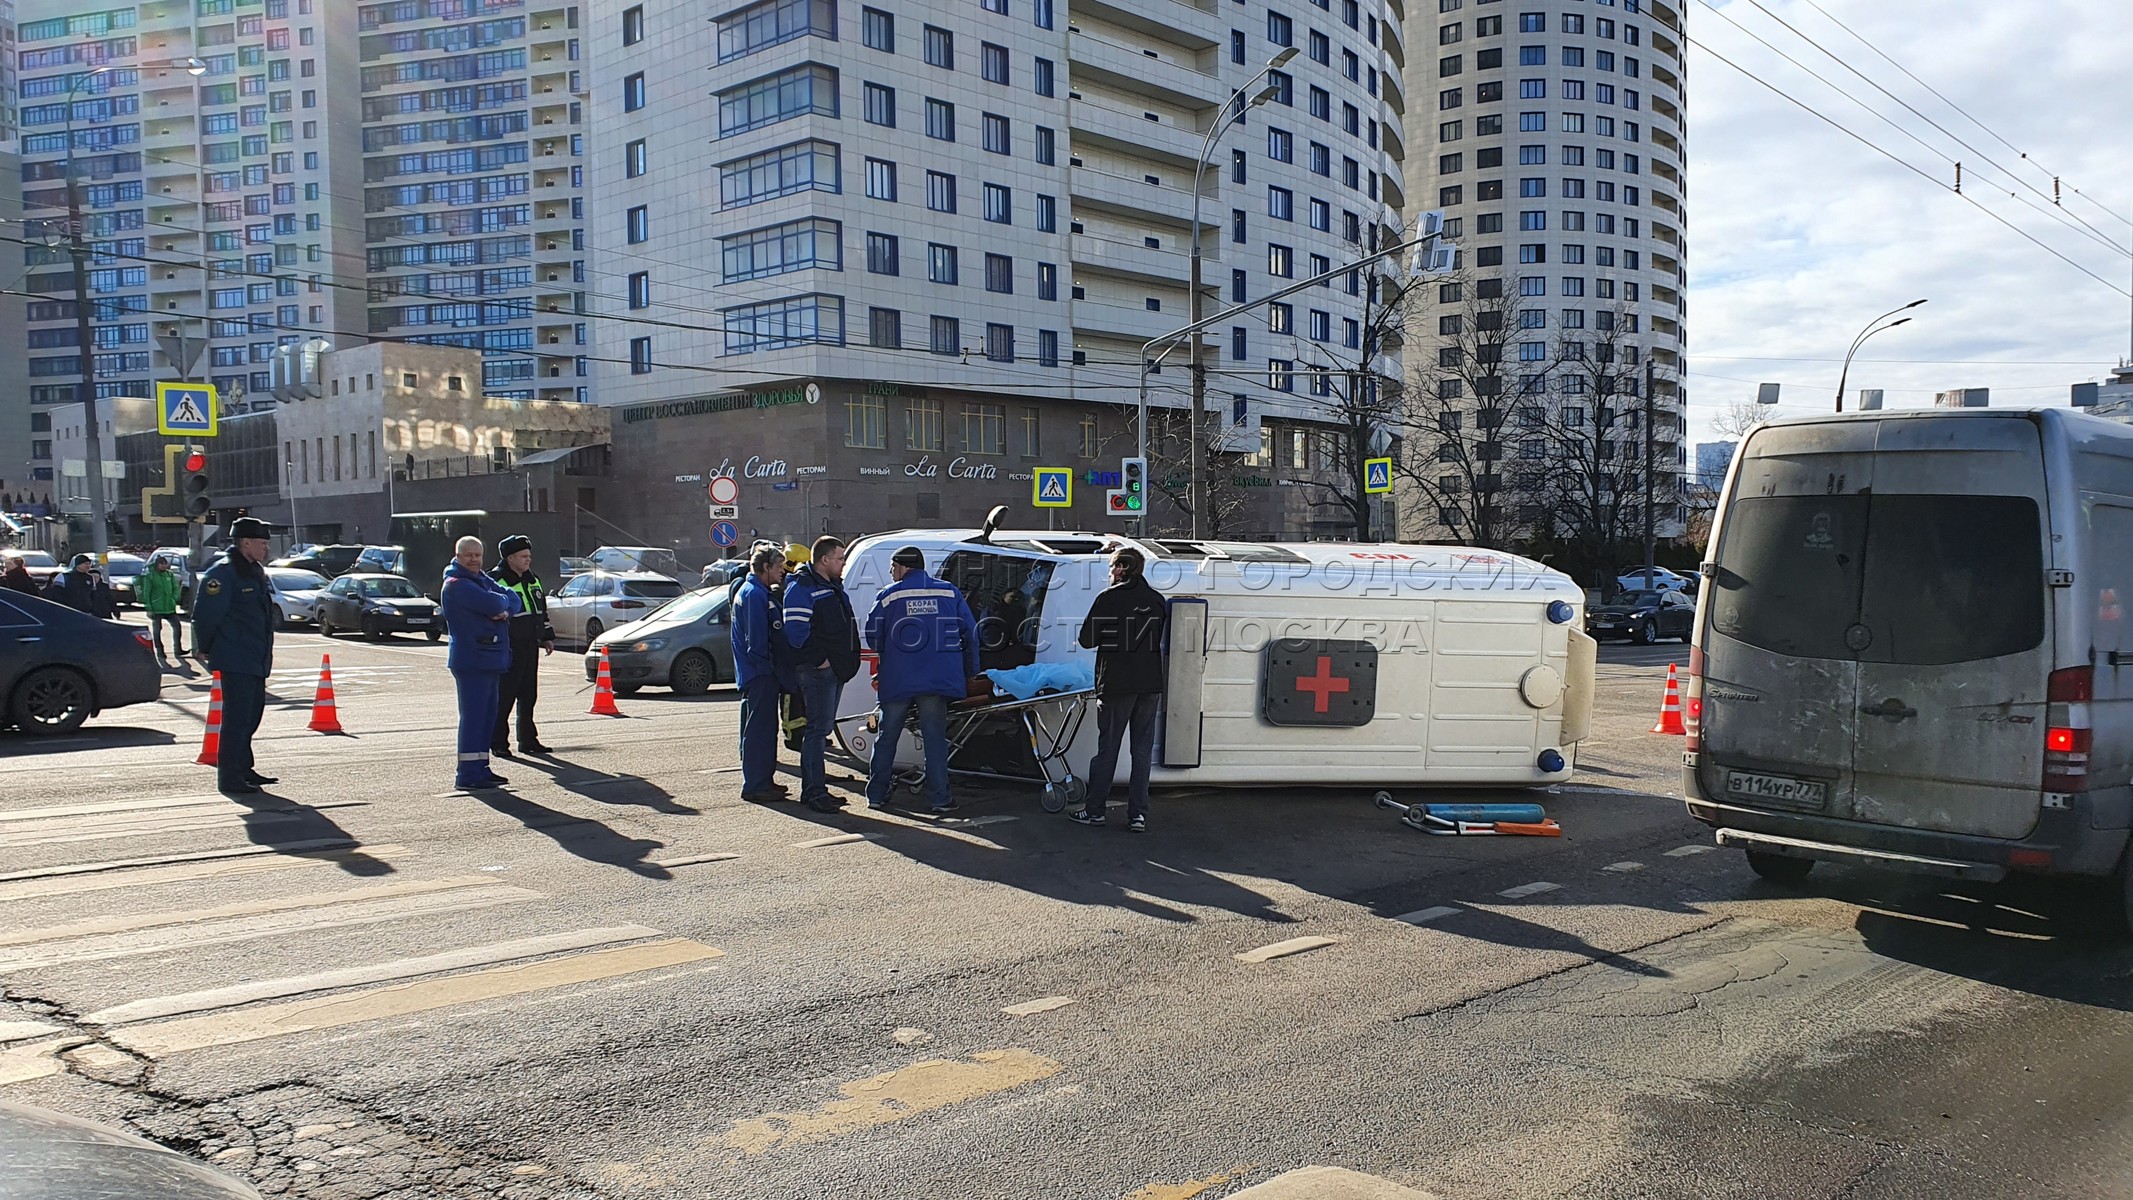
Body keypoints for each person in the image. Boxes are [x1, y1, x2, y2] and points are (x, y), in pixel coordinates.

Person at [864, 546, 978, 815]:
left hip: (899, 679)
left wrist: (892, 653)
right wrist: (970, 670)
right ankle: (940, 799)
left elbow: (872, 635)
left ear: (903, 567)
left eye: (893, 567)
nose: (892, 573)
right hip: (937, 680)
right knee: (935, 738)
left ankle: (877, 795)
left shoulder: (889, 596)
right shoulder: (949, 592)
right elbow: (971, 632)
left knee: (887, 736)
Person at [1070, 547, 1169, 832]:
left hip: (1116, 683)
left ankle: (1096, 811)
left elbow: (1087, 640)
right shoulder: (1156, 600)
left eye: (1112, 567)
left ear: (1123, 568)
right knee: (1141, 752)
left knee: (1108, 749)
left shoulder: (1109, 598)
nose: (1110, 572)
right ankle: (1138, 815)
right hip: (1150, 684)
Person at [192, 518, 280, 795]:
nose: (266, 549)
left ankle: (244, 768)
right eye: (262, 543)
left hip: (255, 656)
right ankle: (229, 777)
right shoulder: (224, 574)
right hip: (235, 655)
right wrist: (204, 647)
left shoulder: (254, 572)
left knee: (252, 715)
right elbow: (205, 615)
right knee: (237, 718)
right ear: (245, 543)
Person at [782, 535, 860, 813]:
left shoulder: (830, 585)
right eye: (840, 558)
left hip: (834, 670)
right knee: (816, 731)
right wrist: (821, 660)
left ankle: (818, 789)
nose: (843, 563)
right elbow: (795, 630)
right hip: (818, 672)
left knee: (821, 729)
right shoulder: (803, 586)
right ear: (824, 560)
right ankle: (814, 793)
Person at [439, 535, 521, 789]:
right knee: (474, 717)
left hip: (490, 659)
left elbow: (513, 599)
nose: (474, 560)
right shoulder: (457, 585)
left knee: (487, 717)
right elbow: (494, 601)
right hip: (472, 660)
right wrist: (501, 604)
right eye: (469, 555)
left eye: (478, 555)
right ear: (458, 557)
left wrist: (504, 607)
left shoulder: (480, 579)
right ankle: (467, 774)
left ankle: (481, 767)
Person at [731, 543, 791, 803]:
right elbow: (756, 641)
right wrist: (769, 671)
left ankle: (763, 780)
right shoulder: (755, 594)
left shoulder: (750, 590)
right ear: (765, 567)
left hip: (753, 674)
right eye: (778, 567)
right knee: (760, 731)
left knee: (759, 729)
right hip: (760, 675)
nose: (782, 572)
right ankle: (756, 784)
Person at [490, 534, 555, 758]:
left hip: (529, 644)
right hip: (508, 647)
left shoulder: (532, 579)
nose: (528, 560)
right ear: (510, 558)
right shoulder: (497, 580)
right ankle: (498, 742)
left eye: (529, 556)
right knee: (505, 695)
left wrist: (546, 636)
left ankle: (528, 740)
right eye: (523, 556)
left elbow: (540, 611)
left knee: (529, 695)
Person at [138, 553, 188, 666]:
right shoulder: (150, 576)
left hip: (169, 607)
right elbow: (147, 592)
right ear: (157, 564)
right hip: (157, 608)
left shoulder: (169, 575)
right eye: (161, 564)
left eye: (165, 564)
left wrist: (174, 598)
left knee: (177, 626)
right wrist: (149, 607)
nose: (163, 566)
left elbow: (175, 587)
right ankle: (160, 651)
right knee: (157, 630)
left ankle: (178, 649)